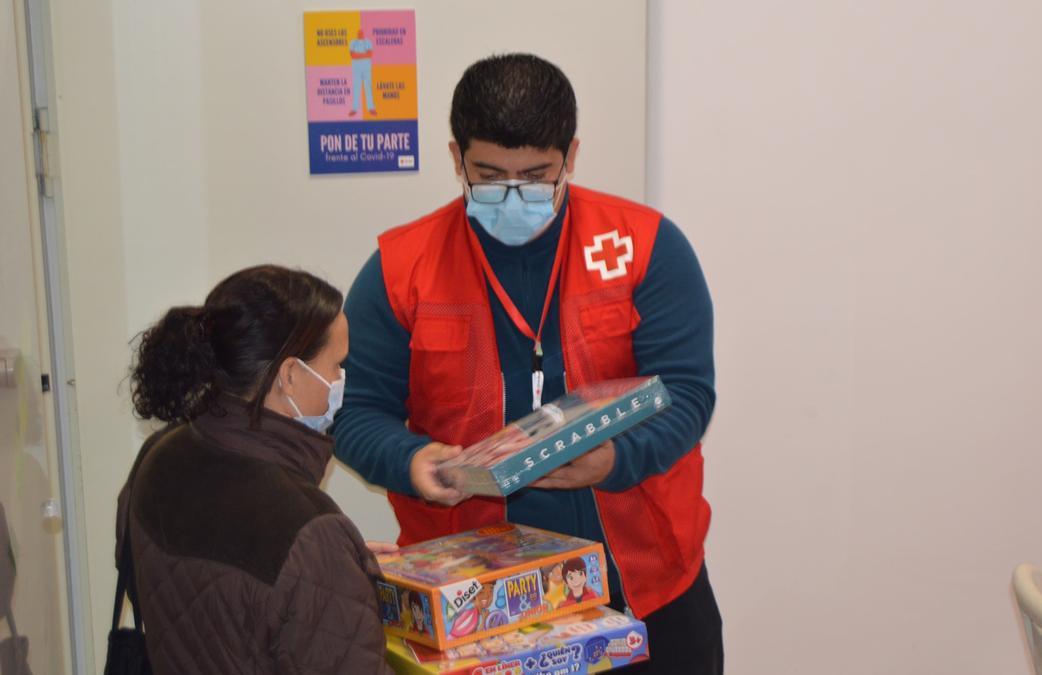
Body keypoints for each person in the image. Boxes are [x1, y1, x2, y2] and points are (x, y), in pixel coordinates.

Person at [333, 53, 723, 673]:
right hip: (475, 610)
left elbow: (687, 394)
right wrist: (409, 461)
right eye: (489, 177)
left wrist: (615, 460)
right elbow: (354, 414)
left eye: (536, 176)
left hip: (646, 588)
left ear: (570, 155)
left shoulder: (645, 245)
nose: (513, 195)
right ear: (457, 157)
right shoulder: (400, 270)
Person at [117, 265, 391, 674]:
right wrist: (323, 563)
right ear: (291, 376)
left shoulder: (159, 453)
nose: (341, 380)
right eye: (337, 365)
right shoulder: (307, 531)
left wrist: (334, 568)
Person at [348, 29, 376, 117]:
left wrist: (358, 55)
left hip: (366, 69)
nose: (360, 33)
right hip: (356, 69)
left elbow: (370, 54)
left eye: (362, 32)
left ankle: (371, 108)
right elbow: (352, 55)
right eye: (359, 32)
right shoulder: (353, 42)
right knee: (356, 88)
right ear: (357, 34)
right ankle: (354, 109)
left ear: (364, 34)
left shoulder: (368, 42)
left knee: (368, 88)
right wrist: (364, 54)